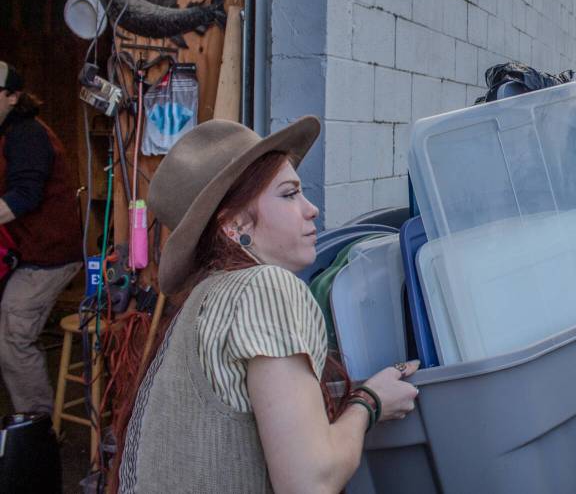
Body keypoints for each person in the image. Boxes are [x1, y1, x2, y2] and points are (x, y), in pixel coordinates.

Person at [114, 116, 419, 493]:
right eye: (289, 194)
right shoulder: (265, 287)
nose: (312, 210)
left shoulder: (206, 297)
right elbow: (310, 482)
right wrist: (370, 403)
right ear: (234, 223)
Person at [0, 61, 82, 415]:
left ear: (13, 97)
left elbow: (24, 197)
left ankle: (36, 429)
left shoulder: (28, 135)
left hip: (50, 255)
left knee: (14, 333)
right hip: (25, 249)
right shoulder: (6, 132)